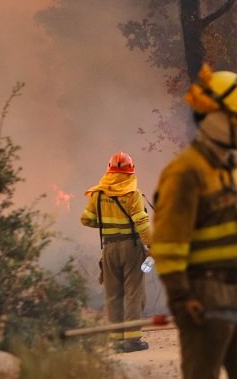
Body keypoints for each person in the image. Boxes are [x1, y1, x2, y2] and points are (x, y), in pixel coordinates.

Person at [153, 64, 237, 379]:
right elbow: (167, 243)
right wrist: (181, 297)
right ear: (213, 118)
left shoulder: (229, 166)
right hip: (204, 293)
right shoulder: (185, 172)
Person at [81, 151, 153, 353]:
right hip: (131, 248)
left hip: (109, 249)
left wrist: (107, 224)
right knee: (133, 293)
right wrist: (152, 245)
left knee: (112, 294)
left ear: (109, 171)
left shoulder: (98, 194)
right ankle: (132, 340)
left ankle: (116, 342)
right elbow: (141, 223)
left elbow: (86, 219)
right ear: (131, 171)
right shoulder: (133, 194)